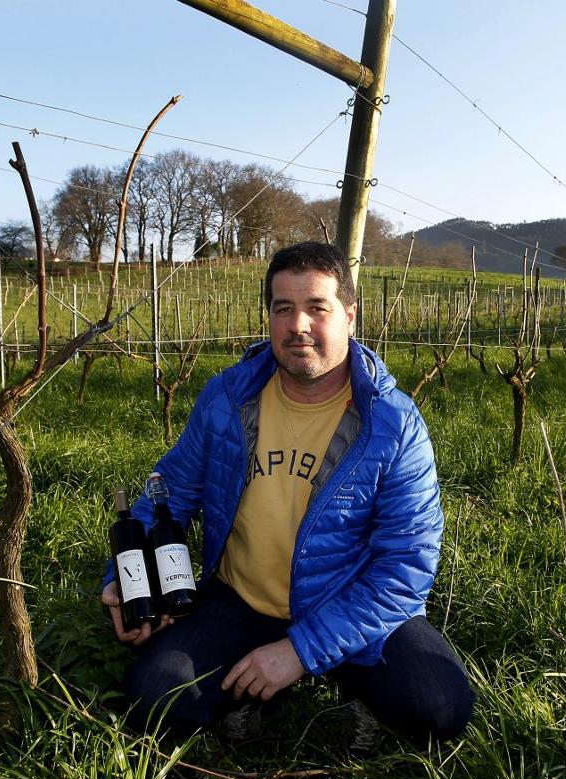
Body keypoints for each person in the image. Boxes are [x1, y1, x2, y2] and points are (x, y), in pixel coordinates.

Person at [101, 241, 473, 746]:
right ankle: (245, 692)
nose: (298, 325)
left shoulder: (393, 424)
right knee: (156, 695)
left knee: (441, 705)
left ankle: (340, 684)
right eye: (283, 308)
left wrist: (300, 651)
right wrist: (126, 577)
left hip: (347, 598)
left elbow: (405, 567)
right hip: (241, 602)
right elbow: (166, 494)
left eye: (317, 307)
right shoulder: (228, 399)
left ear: (349, 315)